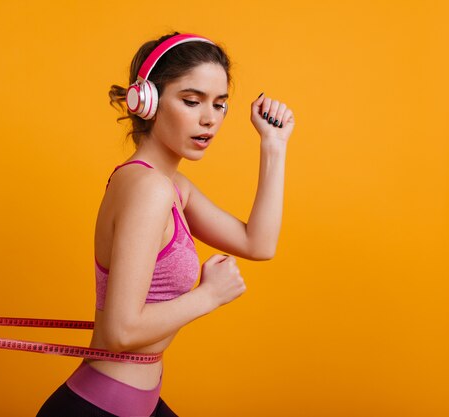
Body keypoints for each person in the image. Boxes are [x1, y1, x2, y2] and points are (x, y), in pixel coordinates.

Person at [36, 31, 294, 417]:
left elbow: (258, 244)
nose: (209, 119)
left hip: (140, 404)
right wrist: (208, 296)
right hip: (102, 409)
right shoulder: (148, 190)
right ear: (148, 101)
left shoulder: (171, 186)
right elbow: (119, 333)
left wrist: (273, 145)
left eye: (220, 105)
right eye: (192, 101)